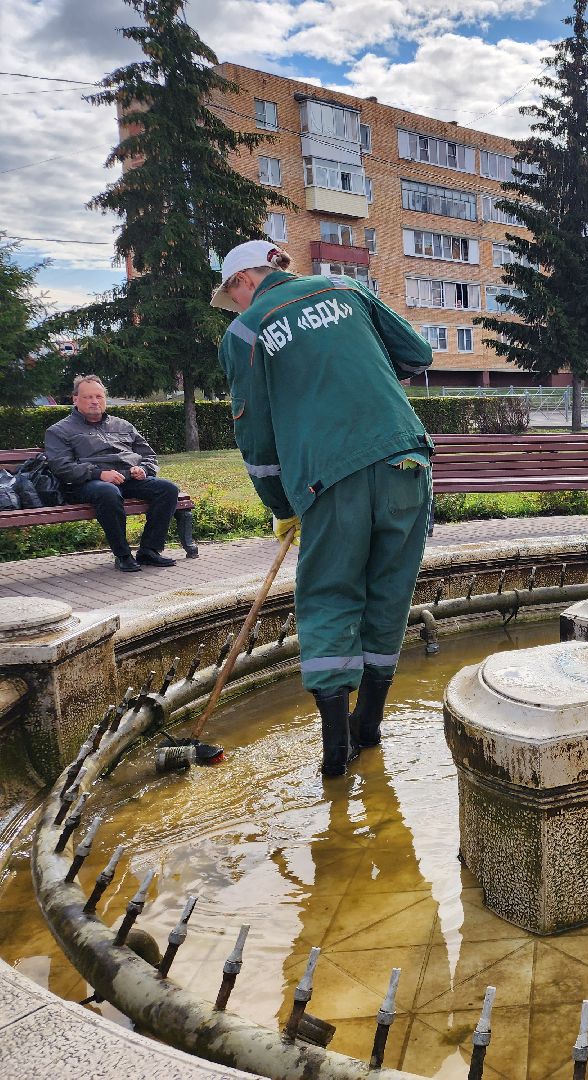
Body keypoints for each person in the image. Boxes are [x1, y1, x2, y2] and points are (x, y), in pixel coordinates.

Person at [211, 239, 434, 778]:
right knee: (388, 595)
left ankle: (337, 750)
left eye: (232, 296)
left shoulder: (244, 331)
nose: (235, 305)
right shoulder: (345, 287)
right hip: (407, 460)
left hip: (329, 477)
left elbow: (256, 436)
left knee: (329, 598)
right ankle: (370, 727)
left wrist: (281, 506)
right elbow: (418, 356)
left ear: (243, 281)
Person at [43, 375, 181, 573]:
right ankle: (123, 555)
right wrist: (100, 474)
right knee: (108, 492)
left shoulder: (122, 425)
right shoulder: (59, 431)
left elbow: (148, 455)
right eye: (88, 397)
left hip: (127, 478)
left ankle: (149, 551)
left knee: (167, 489)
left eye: (99, 396)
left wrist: (143, 469)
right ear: (75, 399)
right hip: (86, 484)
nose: (94, 401)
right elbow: (63, 468)